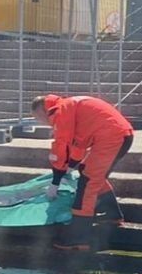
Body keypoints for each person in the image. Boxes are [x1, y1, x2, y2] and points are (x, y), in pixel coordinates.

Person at [32, 94, 134, 251]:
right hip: (117, 134)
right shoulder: (68, 107)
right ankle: (111, 215)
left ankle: (78, 238)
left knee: (88, 183)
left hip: (112, 137)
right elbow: (77, 145)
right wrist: (71, 166)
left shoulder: (59, 112)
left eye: (38, 118)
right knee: (88, 172)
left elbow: (61, 146)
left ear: (41, 112)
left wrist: (56, 180)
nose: (42, 123)